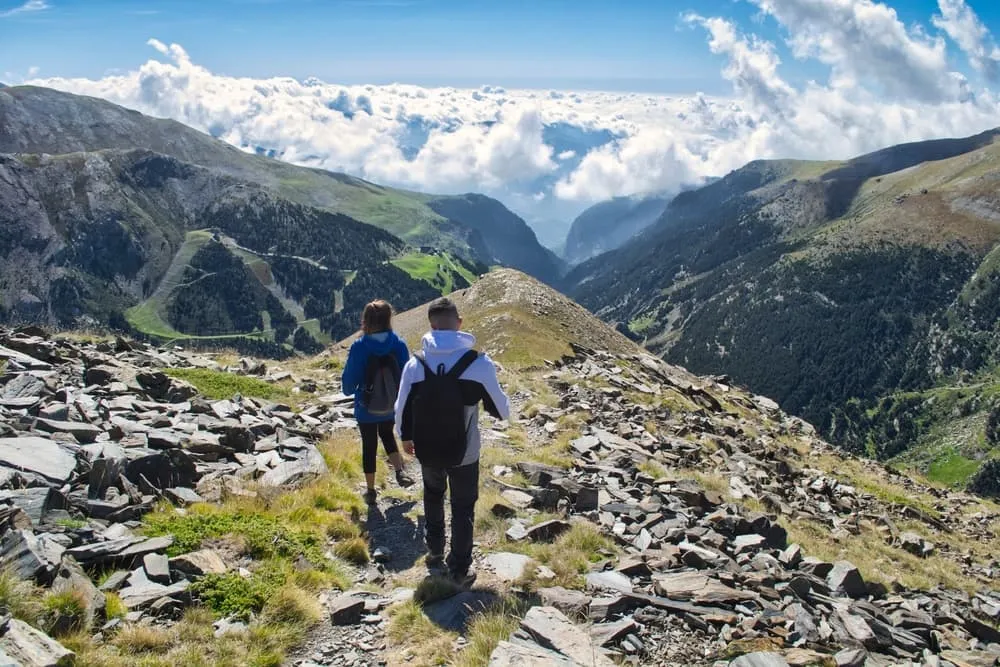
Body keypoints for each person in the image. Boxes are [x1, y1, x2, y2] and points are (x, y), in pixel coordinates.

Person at [394, 297, 510, 586]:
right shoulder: (478, 363)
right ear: (459, 323)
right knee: (462, 506)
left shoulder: (415, 364)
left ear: (431, 326)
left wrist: (405, 437)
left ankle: (434, 551)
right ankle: (459, 567)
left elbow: (401, 407)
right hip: (465, 452)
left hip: (426, 447)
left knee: (433, 495)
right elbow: (503, 411)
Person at [341, 300, 415, 505]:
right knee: (387, 434)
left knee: (369, 444)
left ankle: (371, 490)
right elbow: (407, 376)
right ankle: (400, 471)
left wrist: (350, 389)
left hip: (366, 408)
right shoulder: (399, 344)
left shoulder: (359, 347)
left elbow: (349, 383)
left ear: (365, 320)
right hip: (391, 406)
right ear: (389, 318)